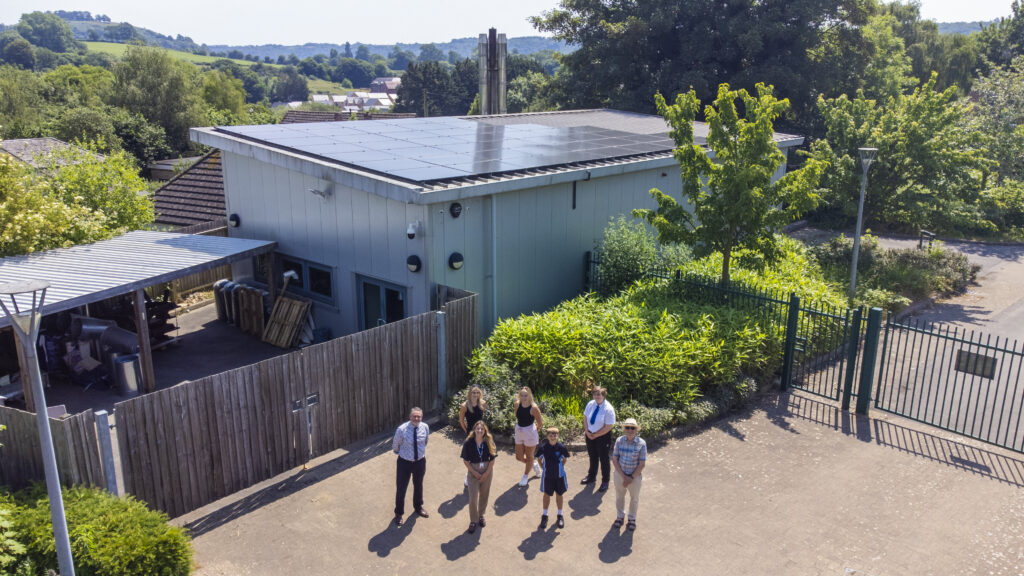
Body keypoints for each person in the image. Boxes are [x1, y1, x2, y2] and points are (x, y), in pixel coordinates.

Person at [392, 407, 429, 526]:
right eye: (414, 416)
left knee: (418, 485)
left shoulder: (425, 427)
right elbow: (395, 446)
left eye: (419, 416)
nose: (417, 418)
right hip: (404, 463)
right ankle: (398, 513)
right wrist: (404, 455)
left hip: (420, 462)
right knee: (401, 488)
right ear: (410, 417)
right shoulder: (401, 429)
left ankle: (418, 507)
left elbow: (425, 441)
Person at [460, 420, 497, 534]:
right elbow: (465, 461)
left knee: (484, 495)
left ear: (484, 431)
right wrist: (474, 472)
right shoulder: (468, 443)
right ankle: (473, 520)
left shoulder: (489, 442)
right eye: (478, 429)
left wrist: (486, 473)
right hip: (473, 470)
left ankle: (481, 515)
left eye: (482, 429)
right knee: (473, 497)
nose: (480, 430)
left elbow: (492, 459)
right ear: (474, 430)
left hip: (487, 469)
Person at [611, 417, 647, 531]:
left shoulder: (642, 443)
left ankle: (632, 519)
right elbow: (615, 459)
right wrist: (624, 477)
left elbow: (642, 464)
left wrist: (630, 477)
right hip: (620, 475)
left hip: (634, 476)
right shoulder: (619, 441)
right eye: (627, 427)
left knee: (634, 498)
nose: (630, 430)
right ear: (624, 429)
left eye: (632, 428)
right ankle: (620, 516)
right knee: (619, 496)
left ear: (636, 430)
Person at [581, 384, 616, 491]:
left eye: (599, 395)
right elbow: (585, 418)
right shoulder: (590, 404)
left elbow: (608, 426)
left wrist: (596, 435)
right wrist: (587, 431)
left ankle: (605, 481)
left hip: (603, 437)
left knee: (604, 459)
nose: (597, 397)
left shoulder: (608, 409)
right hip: (590, 435)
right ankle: (591, 476)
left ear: (604, 396)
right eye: (595, 394)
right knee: (592, 456)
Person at [535, 427, 570, 529]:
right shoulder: (543, 448)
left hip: (559, 476)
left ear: (558, 436)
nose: (553, 437)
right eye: (551, 435)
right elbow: (539, 459)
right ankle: (545, 515)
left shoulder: (562, 447)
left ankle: (560, 515)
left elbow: (564, 459)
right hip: (547, 477)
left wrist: (560, 468)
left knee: (559, 494)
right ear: (547, 436)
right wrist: (543, 468)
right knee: (546, 495)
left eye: (555, 435)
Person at [513, 386, 544, 487]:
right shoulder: (517, 404)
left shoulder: (533, 407)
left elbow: (540, 423)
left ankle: (525, 476)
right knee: (519, 457)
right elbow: (517, 416)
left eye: (525, 395)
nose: (523, 397)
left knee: (529, 455)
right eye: (521, 395)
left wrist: (533, 431)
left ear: (529, 395)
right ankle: (533, 465)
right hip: (519, 431)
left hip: (530, 432)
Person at [458, 386, 488, 486]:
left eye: (477, 393)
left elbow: (482, 416)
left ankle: (480, 471)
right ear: (470, 394)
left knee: (481, 452)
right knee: (470, 455)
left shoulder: (483, 403)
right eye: (473, 393)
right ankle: (469, 474)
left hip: (481, 431)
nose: (475, 395)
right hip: (471, 432)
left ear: (479, 393)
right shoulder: (465, 406)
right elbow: (461, 420)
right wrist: (466, 429)